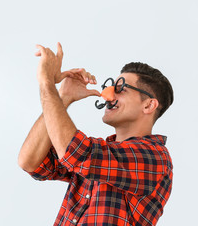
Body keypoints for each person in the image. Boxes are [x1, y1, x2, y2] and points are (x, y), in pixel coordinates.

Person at [18, 42, 174, 226]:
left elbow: (75, 153)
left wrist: (46, 82)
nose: (107, 95)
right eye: (110, 86)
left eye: (121, 89)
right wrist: (63, 97)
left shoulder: (155, 158)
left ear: (148, 105)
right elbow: (30, 162)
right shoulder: (101, 156)